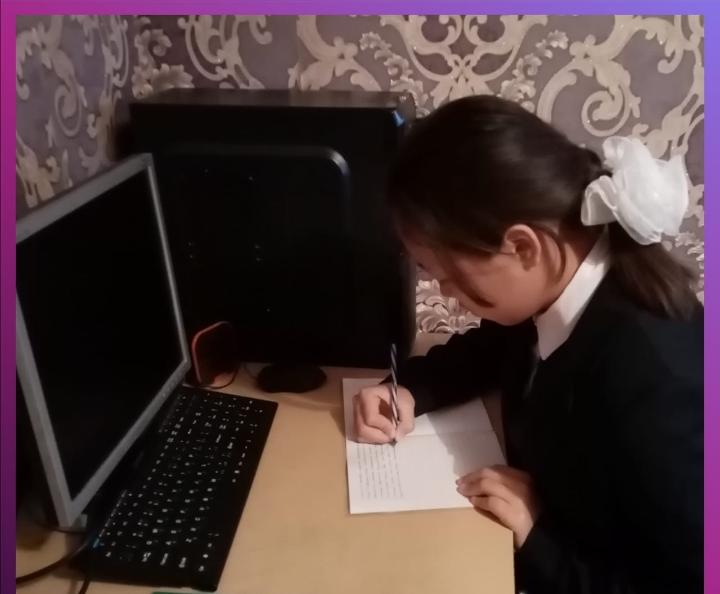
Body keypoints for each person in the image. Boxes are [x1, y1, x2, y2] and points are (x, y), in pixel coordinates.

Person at [352, 95, 703, 594]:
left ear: (522, 247)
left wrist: (540, 536)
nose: (443, 292)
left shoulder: (656, 386)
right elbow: (500, 345)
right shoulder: (565, 282)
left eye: (447, 275)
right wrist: (410, 388)